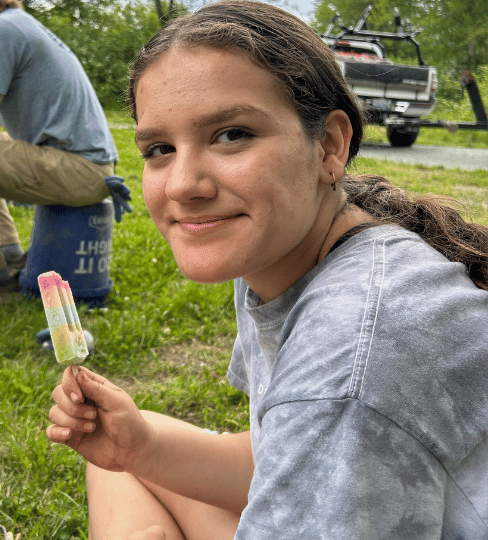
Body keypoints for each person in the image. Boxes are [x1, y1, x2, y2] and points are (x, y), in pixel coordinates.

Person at [46, 1, 488, 538]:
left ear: (329, 146)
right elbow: (279, 459)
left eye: (232, 134)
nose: (183, 185)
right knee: (123, 457)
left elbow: (329, 414)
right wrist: (142, 448)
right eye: (160, 148)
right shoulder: (286, 256)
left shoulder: (352, 352)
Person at [0, 0, 121, 302]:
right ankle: (7, 251)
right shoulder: (12, 24)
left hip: (80, 170)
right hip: (87, 166)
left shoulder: (0, 30)